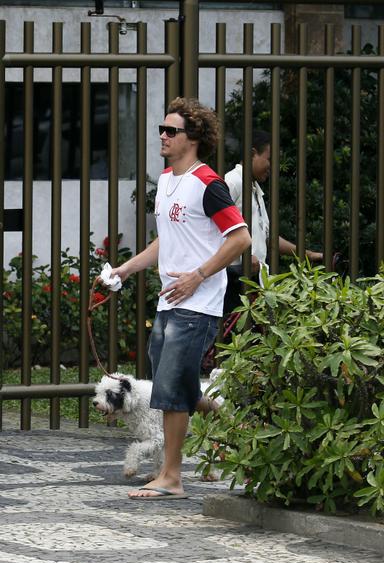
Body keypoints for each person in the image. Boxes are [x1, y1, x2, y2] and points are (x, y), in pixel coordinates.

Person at [109, 97, 251, 500]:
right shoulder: (168, 181)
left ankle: (172, 477)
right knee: (176, 386)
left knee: (171, 387)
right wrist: (126, 268)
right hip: (169, 303)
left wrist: (198, 275)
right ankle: (237, 425)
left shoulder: (208, 184)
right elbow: (165, 240)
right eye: (162, 128)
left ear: (194, 138)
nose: (163, 136)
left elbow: (240, 238)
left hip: (198, 305)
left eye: (171, 131)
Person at [223, 130, 323, 313]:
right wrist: (245, 256)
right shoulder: (233, 181)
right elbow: (213, 227)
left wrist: (310, 255)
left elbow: (269, 239)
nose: (272, 166)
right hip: (234, 282)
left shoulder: (256, 190)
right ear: (252, 154)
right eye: (269, 159)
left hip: (254, 281)